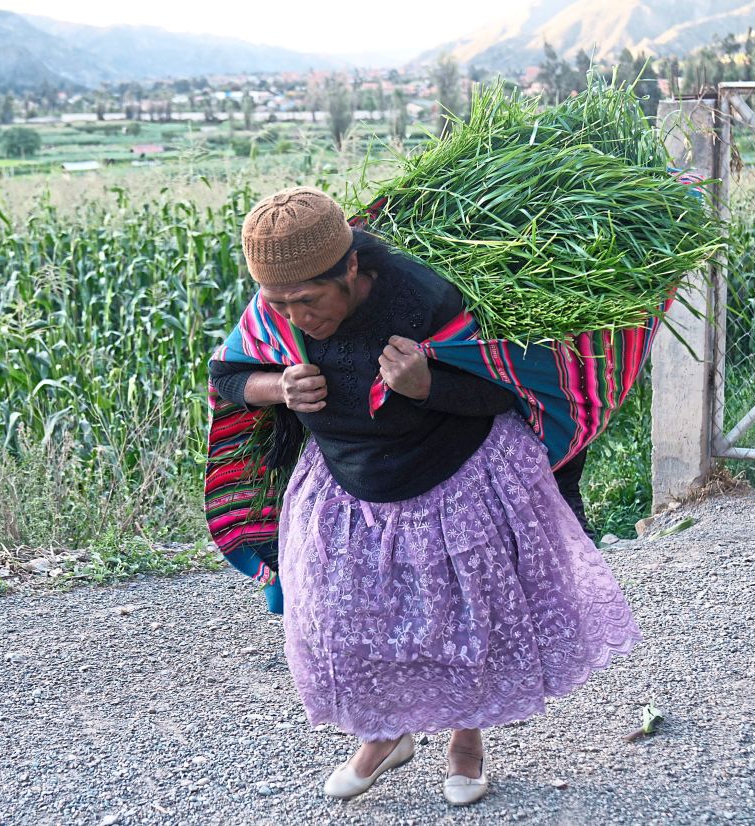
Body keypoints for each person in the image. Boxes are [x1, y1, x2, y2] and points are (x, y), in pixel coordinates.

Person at [209, 187, 640, 806]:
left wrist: (425, 384)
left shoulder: (427, 300)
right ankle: (386, 734)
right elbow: (227, 376)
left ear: (352, 267)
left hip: (454, 483)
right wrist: (276, 387)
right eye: (280, 303)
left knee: (466, 619)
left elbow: (502, 388)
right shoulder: (276, 303)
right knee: (347, 624)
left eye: (309, 300)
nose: (295, 316)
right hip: (347, 492)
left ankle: (467, 740)